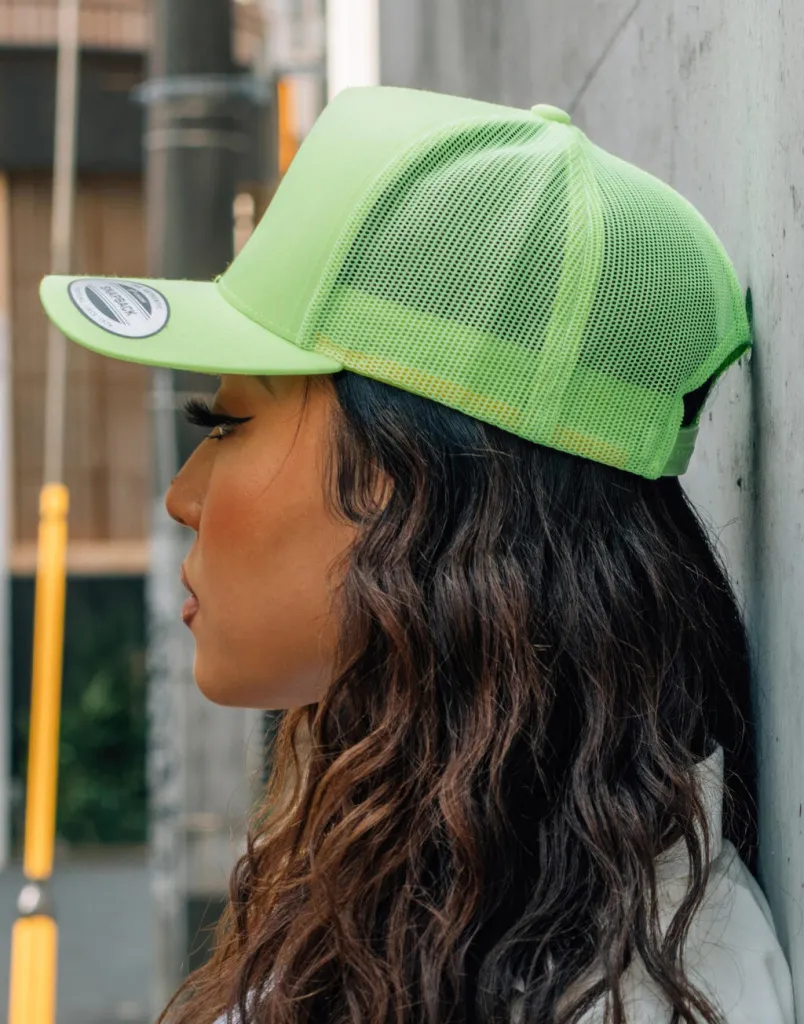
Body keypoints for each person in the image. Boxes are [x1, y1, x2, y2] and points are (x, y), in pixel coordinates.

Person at [40, 87, 794, 1024]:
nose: (181, 496)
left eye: (228, 424)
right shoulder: (447, 884)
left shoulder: (632, 991)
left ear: (409, 486)